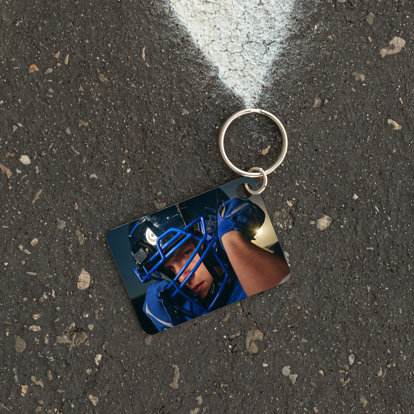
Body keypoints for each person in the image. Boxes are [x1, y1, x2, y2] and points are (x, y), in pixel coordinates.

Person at [129, 192, 290, 332]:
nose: (182, 278)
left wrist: (231, 237)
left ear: (215, 232)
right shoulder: (184, 311)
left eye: (186, 253)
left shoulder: (277, 261)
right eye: (170, 270)